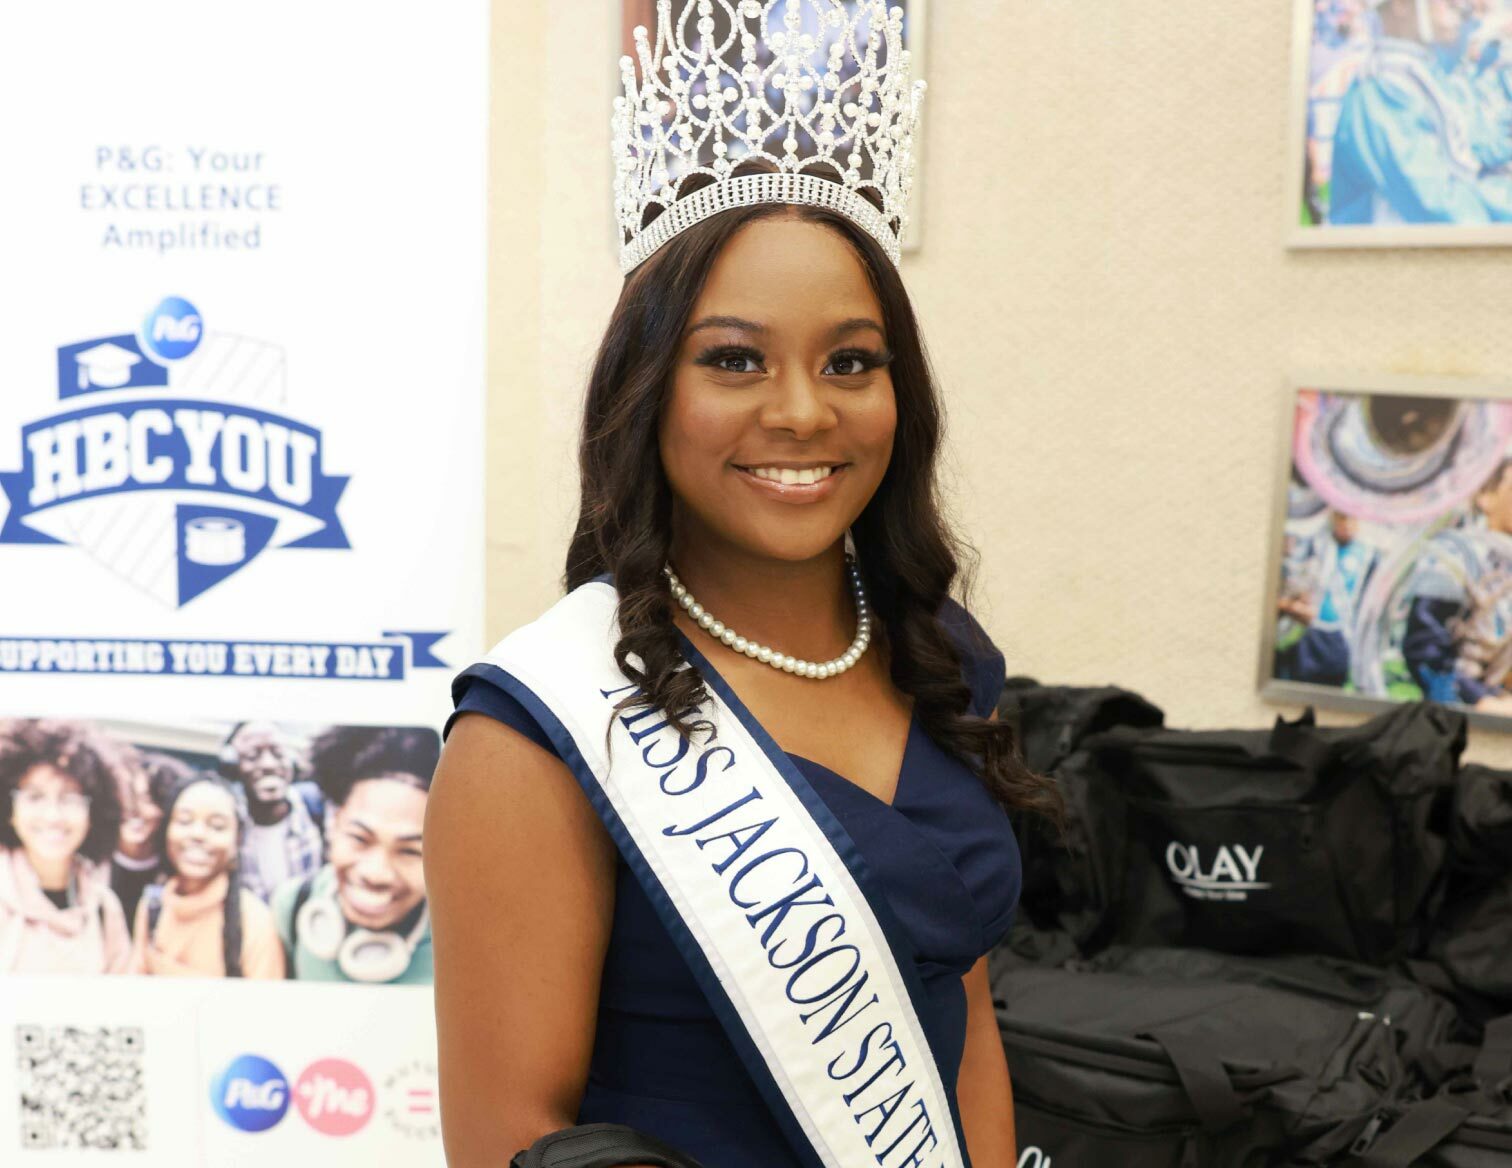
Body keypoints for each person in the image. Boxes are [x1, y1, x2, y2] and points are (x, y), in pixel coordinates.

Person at [426, 6, 1055, 1166]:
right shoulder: (536, 739)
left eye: (850, 362)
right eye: (734, 359)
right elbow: (510, 1143)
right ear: (648, 388)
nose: (805, 412)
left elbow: (961, 1020)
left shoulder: (935, 652)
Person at [271, 726, 438, 984]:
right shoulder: (291, 905)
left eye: (410, 851)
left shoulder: (465, 947)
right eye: (359, 838)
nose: (375, 873)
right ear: (334, 825)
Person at [1330, 0, 1512, 223]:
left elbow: (1482, 149)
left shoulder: (1425, 75)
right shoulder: (1382, 90)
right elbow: (1445, 208)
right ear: (1400, 5)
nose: (1460, 6)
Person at [0, 719, 131, 973]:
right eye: (35, 797)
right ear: (9, 809)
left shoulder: (104, 908)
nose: (52, 816)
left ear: (94, 812)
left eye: (69, 799)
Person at [130, 772, 284, 979]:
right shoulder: (153, 906)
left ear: (237, 840)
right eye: (185, 821)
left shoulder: (254, 922)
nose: (198, 834)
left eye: (217, 826)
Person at [1401, 456, 1512, 709]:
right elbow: (1425, 650)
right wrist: (1480, 700)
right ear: (1486, 496)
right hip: (1456, 718)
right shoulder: (1453, 552)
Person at [219, 721, 325, 902]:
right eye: (253, 756)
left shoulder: (318, 807)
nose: (268, 764)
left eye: (278, 753)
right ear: (233, 767)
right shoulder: (226, 826)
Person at [1275, 510, 1379, 687]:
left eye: (1351, 517)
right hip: (1307, 635)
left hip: (1340, 637)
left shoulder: (1368, 555)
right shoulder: (1313, 545)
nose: (1346, 524)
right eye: (1341, 517)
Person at [111, 750, 192, 927]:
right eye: (129, 795)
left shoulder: (178, 869)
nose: (135, 808)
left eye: (148, 800)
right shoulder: (93, 860)